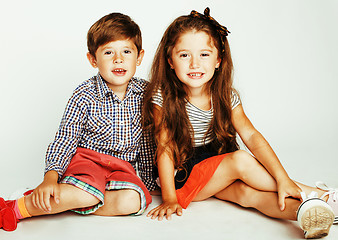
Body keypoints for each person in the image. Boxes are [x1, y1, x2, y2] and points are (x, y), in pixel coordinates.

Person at [143, 8, 337, 239]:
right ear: (170, 61)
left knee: (247, 195)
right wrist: (169, 198)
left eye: (204, 54)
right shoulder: (162, 96)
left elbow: (252, 136)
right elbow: (164, 147)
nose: (194, 63)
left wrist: (282, 177)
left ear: (219, 60)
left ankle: (309, 212)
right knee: (241, 160)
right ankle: (318, 194)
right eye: (184, 55)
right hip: (182, 176)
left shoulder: (226, 95)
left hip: (215, 171)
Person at [0, 12, 157, 232]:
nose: (118, 59)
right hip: (87, 163)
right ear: (93, 59)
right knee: (87, 191)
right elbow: (65, 138)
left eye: (126, 52)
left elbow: (148, 143)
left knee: (135, 201)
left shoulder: (146, 93)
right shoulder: (84, 94)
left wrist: (150, 182)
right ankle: (17, 207)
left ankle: (64, 204)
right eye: (108, 52)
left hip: (121, 169)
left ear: (139, 57)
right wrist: (51, 177)